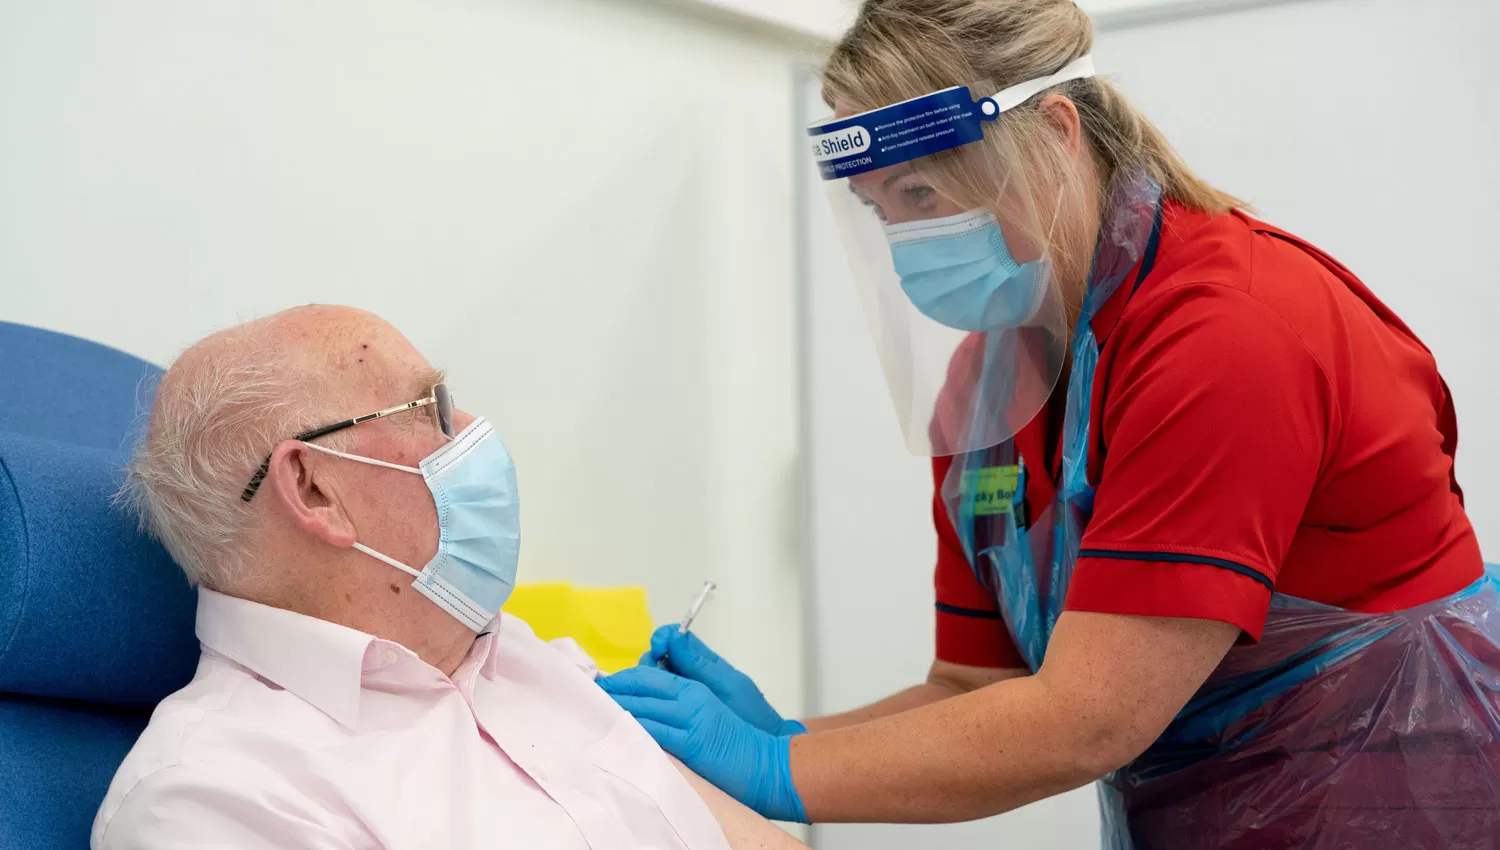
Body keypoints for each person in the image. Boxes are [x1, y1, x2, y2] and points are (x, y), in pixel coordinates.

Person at [600, 1, 1500, 846]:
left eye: (920, 191)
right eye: (880, 209)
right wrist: (790, 733)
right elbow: (978, 688)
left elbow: (1088, 717)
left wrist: (775, 768)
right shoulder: (988, 383)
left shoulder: (1228, 333)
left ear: (1057, 136)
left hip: (1398, 805)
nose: (906, 238)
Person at [94, 305, 807, 850]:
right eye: (431, 406)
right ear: (313, 490)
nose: (469, 426)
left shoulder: (515, 656)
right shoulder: (211, 799)